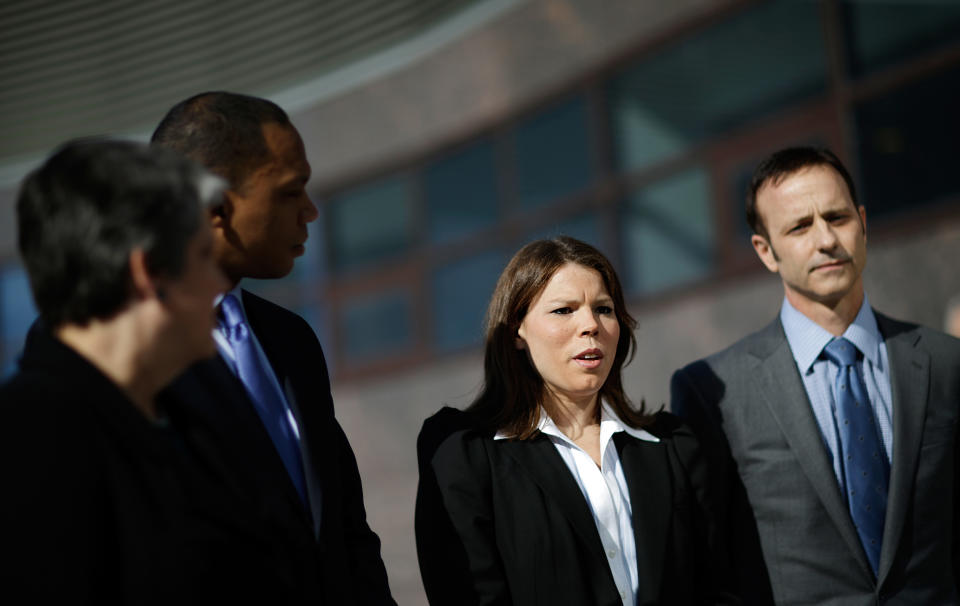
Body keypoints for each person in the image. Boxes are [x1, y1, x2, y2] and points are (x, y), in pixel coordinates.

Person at [0, 139, 291, 602]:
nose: (220, 283)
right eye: (201, 258)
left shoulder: (173, 423)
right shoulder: (34, 437)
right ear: (147, 274)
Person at [671, 146, 960, 604]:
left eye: (837, 218)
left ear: (863, 223)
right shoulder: (714, 393)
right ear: (766, 251)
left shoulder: (947, 363)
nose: (826, 239)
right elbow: (709, 567)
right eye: (800, 227)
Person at [151, 91, 395, 604]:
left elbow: (345, 528)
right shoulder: (119, 352)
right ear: (215, 206)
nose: (310, 211)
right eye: (289, 192)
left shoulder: (292, 340)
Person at [415, 236, 738, 605]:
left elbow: (717, 589)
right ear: (516, 330)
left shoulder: (674, 446)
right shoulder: (464, 452)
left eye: (603, 308)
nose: (590, 325)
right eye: (564, 310)